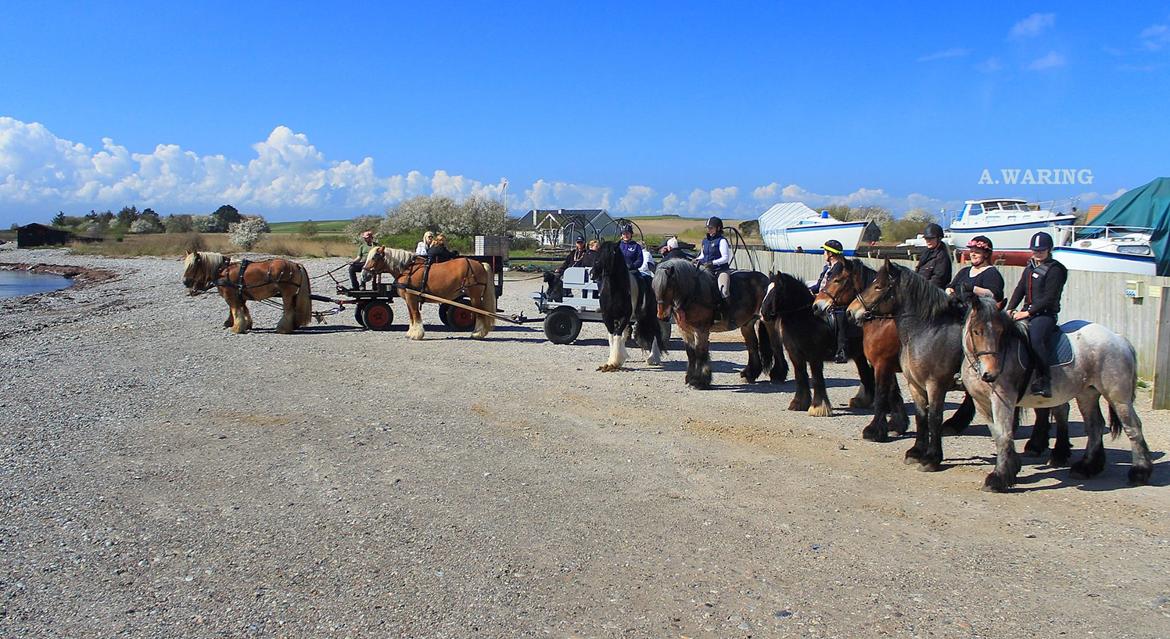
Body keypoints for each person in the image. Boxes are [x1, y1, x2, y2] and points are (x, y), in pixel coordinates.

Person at [1007, 231, 1068, 398]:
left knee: (1036, 339)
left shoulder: (1056, 270)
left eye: (1041, 250)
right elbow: (1020, 289)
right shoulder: (1030, 267)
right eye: (1035, 250)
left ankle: (1044, 379)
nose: (1038, 253)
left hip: (1045, 315)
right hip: (1026, 312)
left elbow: (1049, 298)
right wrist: (1010, 308)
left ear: (1049, 250)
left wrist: (1026, 312)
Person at [809, 239, 849, 363]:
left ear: (830, 254)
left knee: (839, 315)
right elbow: (819, 285)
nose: (823, 254)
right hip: (821, 296)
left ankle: (841, 350)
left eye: (824, 251)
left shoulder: (839, 268)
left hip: (835, 300)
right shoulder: (827, 267)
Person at [946, 235, 1005, 302]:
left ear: (986, 254)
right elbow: (951, 286)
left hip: (979, 310)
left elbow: (995, 295)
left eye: (977, 252)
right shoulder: (964, 271)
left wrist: (973, 289)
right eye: (971, 251)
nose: (973, 255)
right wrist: (949, 290)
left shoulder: (992, 273)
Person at [916, 222, 952, 289]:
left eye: (931, 238)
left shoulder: (942, 257)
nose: (928, 241)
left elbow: (938, 280)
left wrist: (920, 289)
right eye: (926, 238)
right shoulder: (926, 253)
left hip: (933, 294)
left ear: (939, 238)